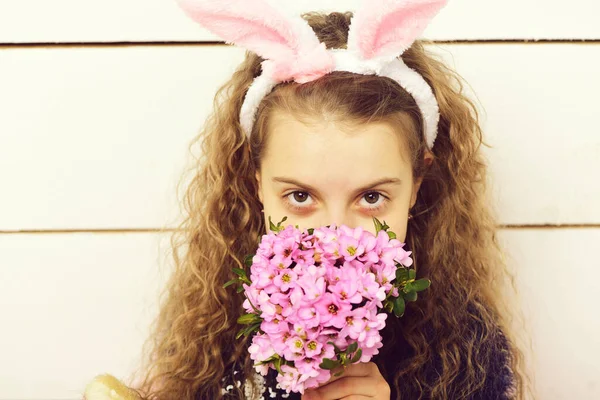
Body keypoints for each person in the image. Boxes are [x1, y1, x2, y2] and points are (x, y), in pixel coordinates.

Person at [84, 1, 533, 399]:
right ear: (255, 182)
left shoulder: (465, 347)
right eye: (300, 196)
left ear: (417, 184)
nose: (333, 237)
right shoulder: (215, 334)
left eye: (372, 197)